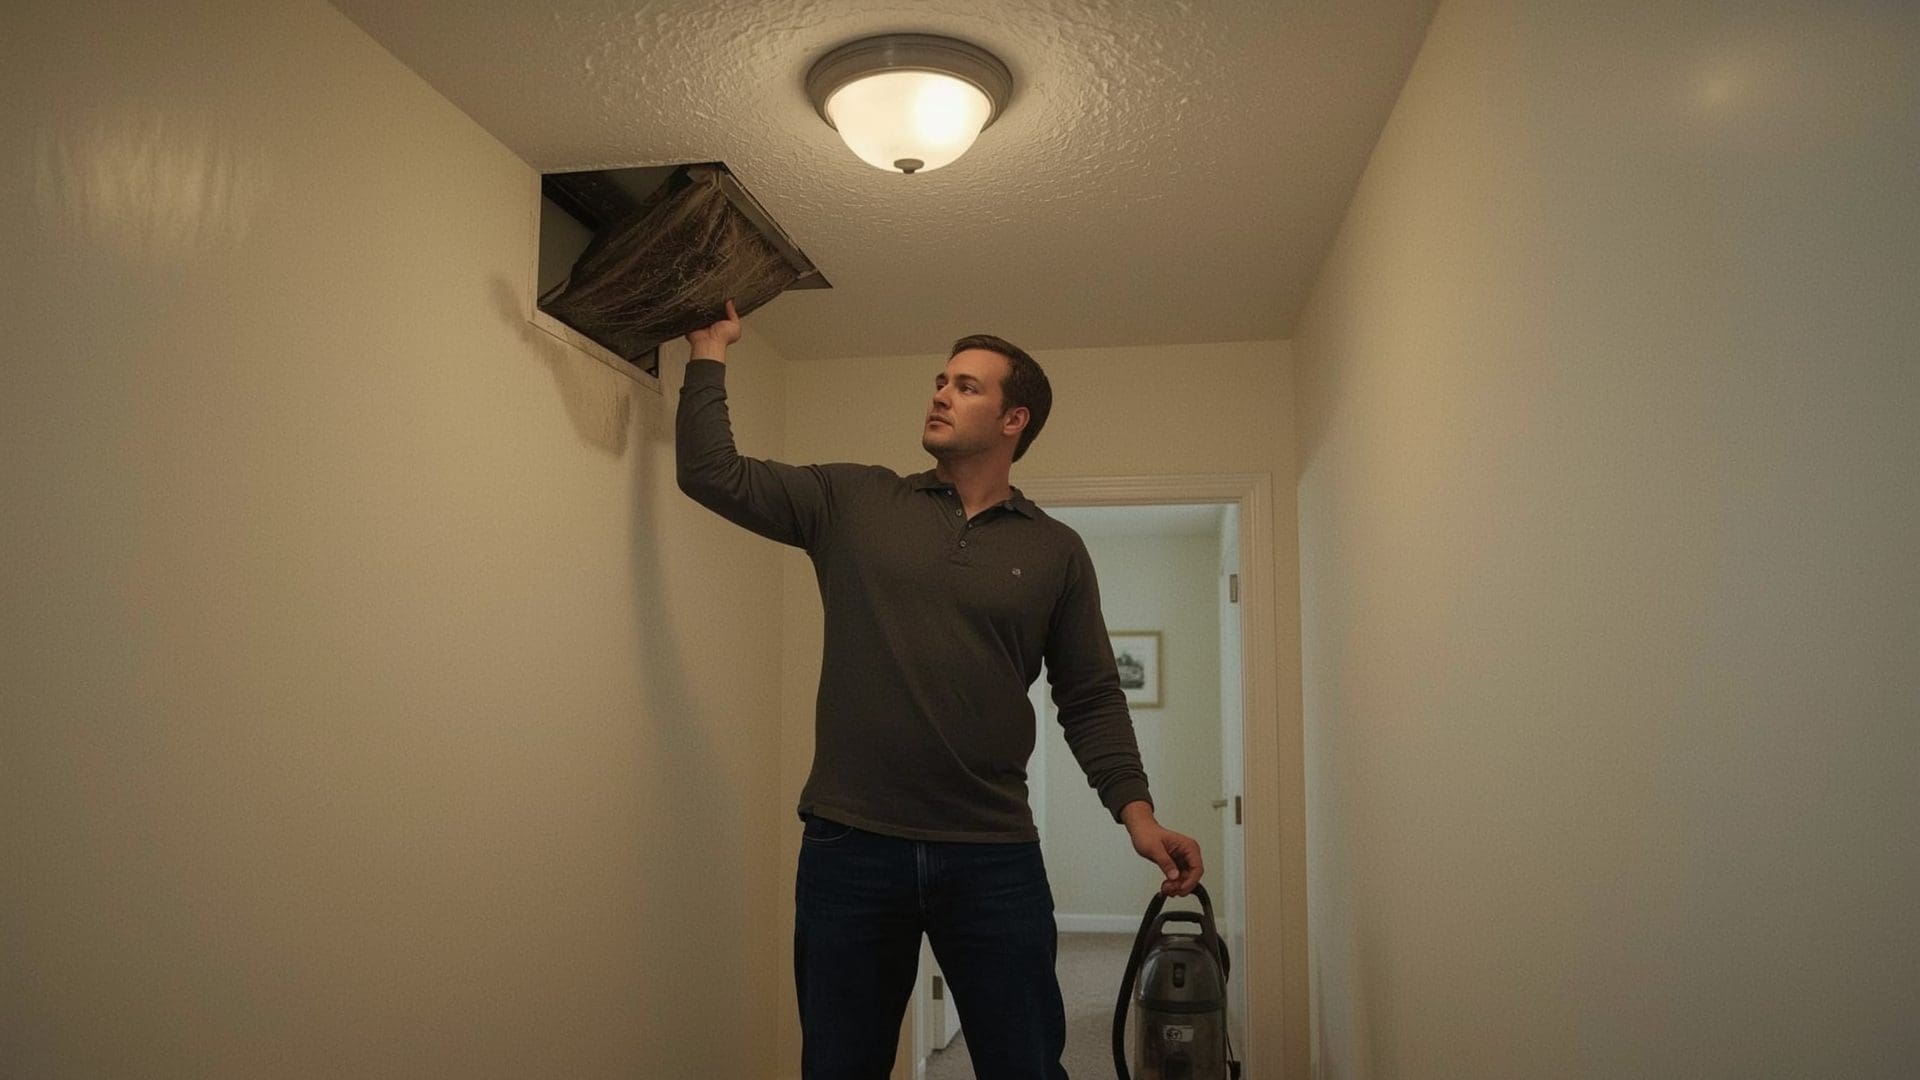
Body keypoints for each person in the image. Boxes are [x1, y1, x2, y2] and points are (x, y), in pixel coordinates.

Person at [676, 301, 1203, 1079]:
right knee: (839, 1065)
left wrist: (1138, 813)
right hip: (851, 846)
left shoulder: (1055, 550)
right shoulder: (853, 502)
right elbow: (710, 473)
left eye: (966, 386)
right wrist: (710, 351)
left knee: (1025, 1065)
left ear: (1015, 418)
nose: (940, 395)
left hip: (993, 853)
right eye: (939, 382)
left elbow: (1089, 695)